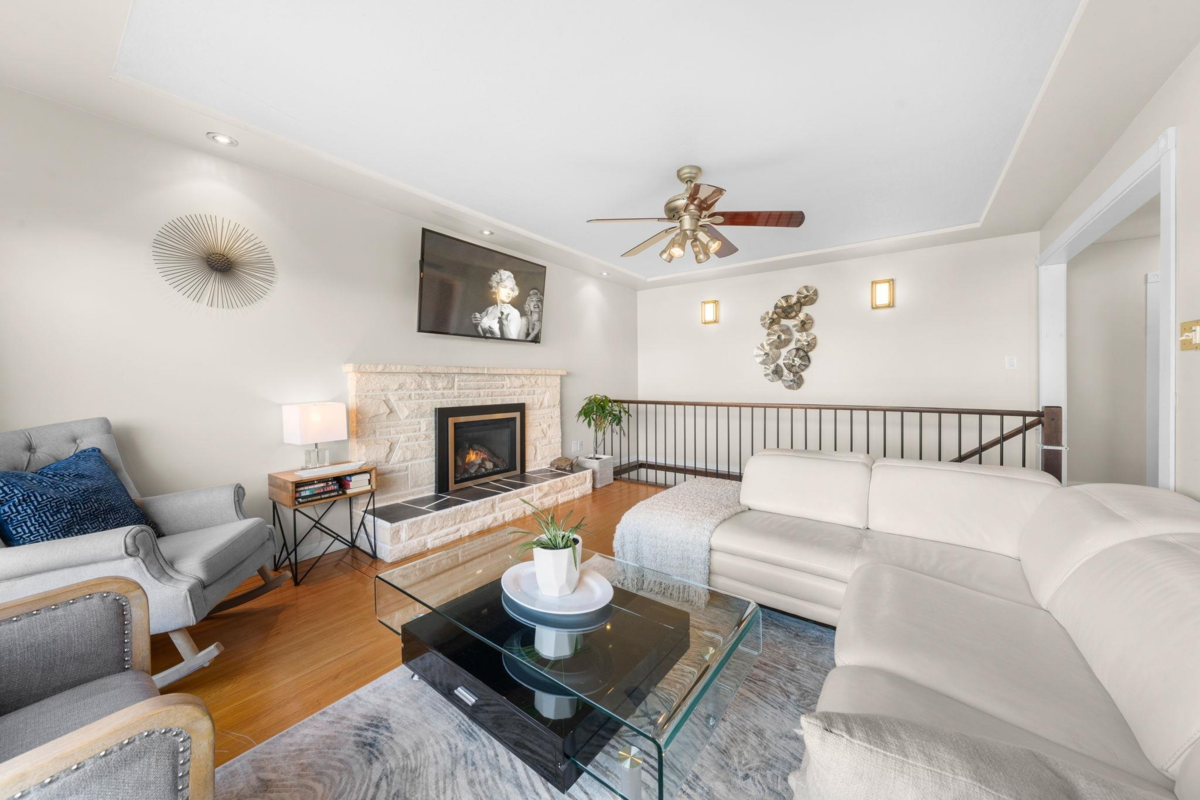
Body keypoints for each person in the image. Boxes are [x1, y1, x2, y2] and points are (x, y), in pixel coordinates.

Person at [472, 269, 522, 339]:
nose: (508, 292)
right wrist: (476, 326)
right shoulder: (489, 310)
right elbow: (483, 337)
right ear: (495, 288)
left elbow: (511, 344)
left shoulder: (514, 313)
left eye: (511, 289)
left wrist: (505, 322)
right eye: (504, 287)